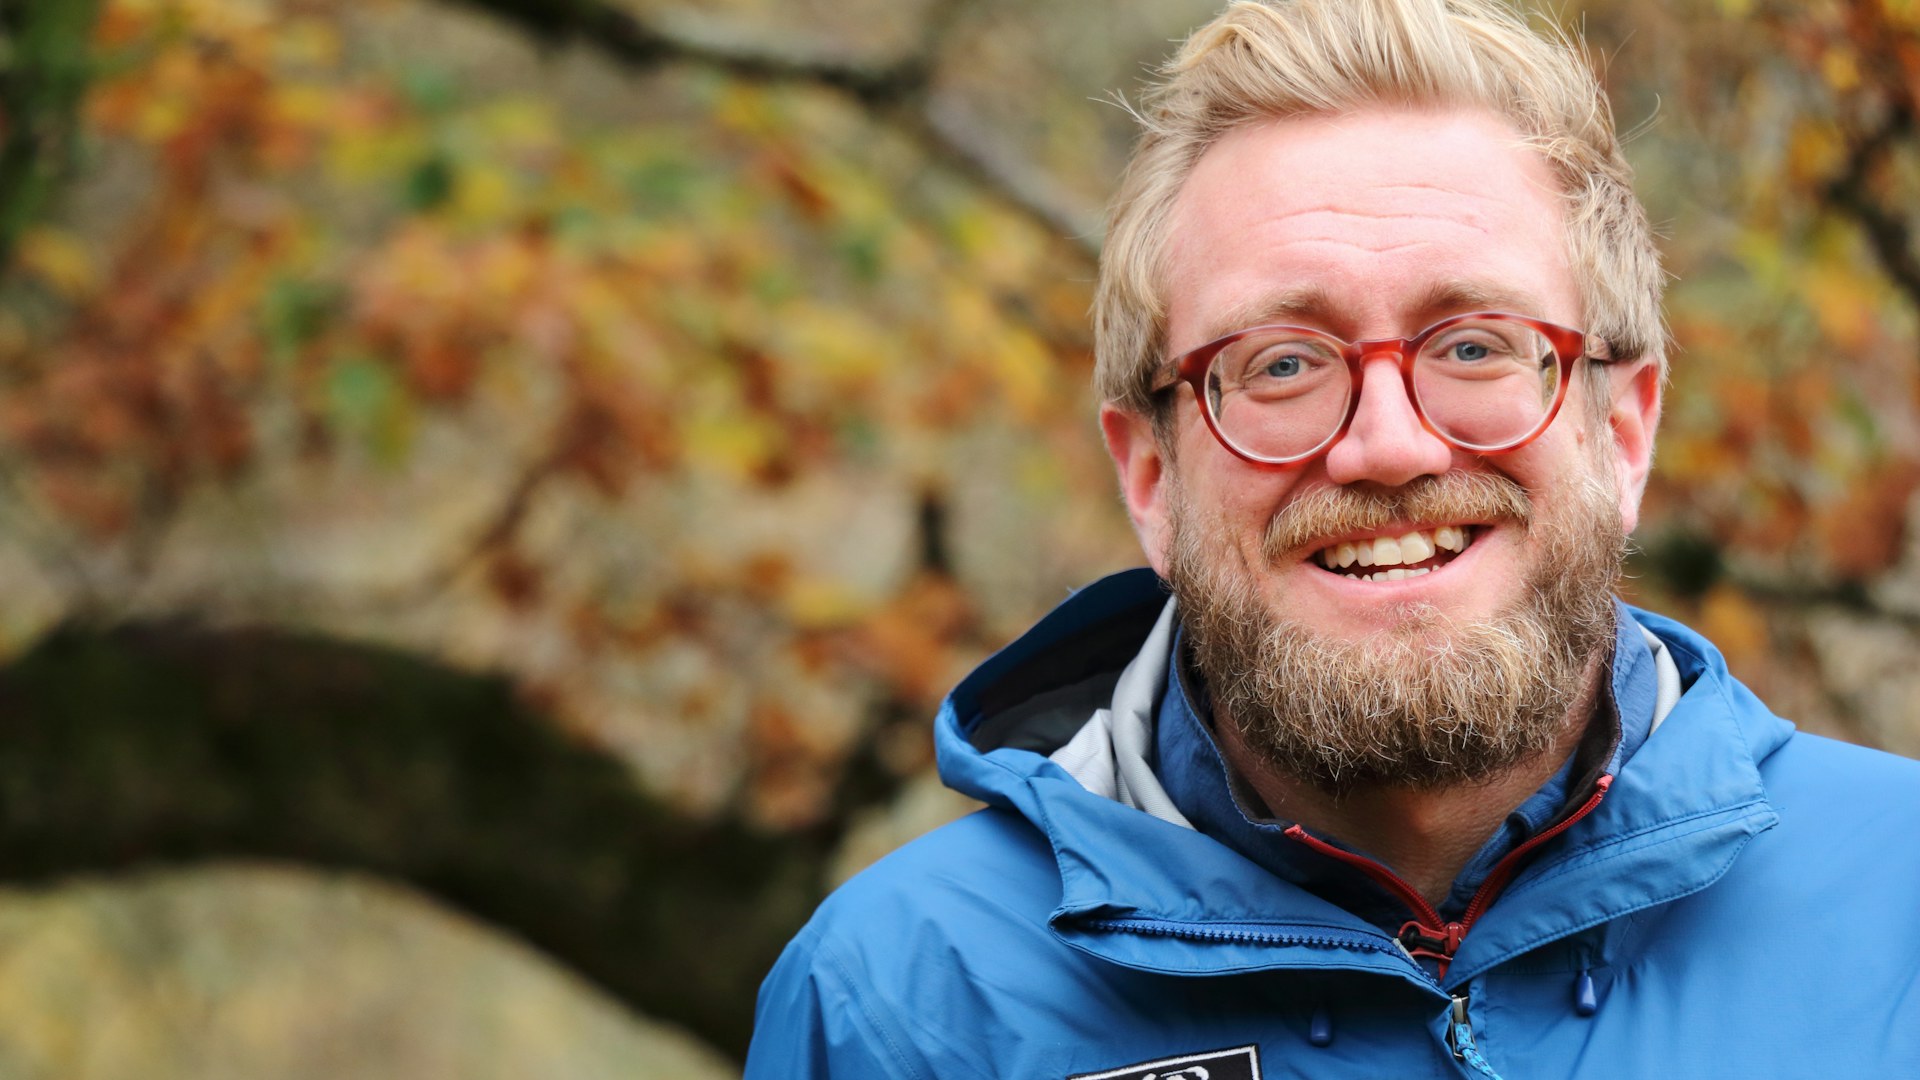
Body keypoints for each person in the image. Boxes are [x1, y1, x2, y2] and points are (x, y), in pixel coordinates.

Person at [744, 0, 1920, 1076]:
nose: (1390, 447)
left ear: (1623, 428)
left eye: (1473, 345)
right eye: (1284, 365)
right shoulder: (902, 1003)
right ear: (1150, 473)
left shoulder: (1900, 909)